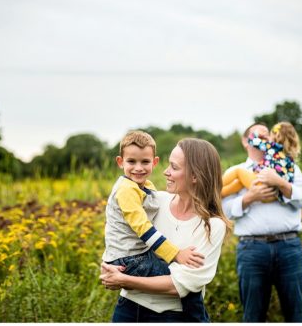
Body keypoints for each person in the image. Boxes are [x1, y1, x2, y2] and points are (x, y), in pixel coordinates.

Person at [100, 138, 233, 322]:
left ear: (194, 176)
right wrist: (110, 263)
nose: (165, 172)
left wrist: (124, 280)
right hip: (129, 310)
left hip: (175, 316)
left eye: (174, 167)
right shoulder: (156, 202)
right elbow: (120, 230)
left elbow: (179, 285)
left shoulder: (212, 226)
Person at [222, 123, 302, 322]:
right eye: (257, 134)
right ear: (246, 141)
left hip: (289, 247)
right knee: (253, 315)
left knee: (298, 313)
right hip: (251, 250)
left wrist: (280, 182)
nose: (264, 136)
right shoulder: (237, 172)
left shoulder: (288, 166)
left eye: (266, 134)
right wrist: (249, 197)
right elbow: (224, 210)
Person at [221, 122, 301, 199]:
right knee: (240, 182)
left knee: (238, 172)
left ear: (275, 136)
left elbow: (252, 140)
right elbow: (290, 179)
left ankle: (215, 186)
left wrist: (257, 133)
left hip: (262, 186)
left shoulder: (272, 147)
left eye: (269, 135)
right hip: (273, 194)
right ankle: (220, 194)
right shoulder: (290, 160)